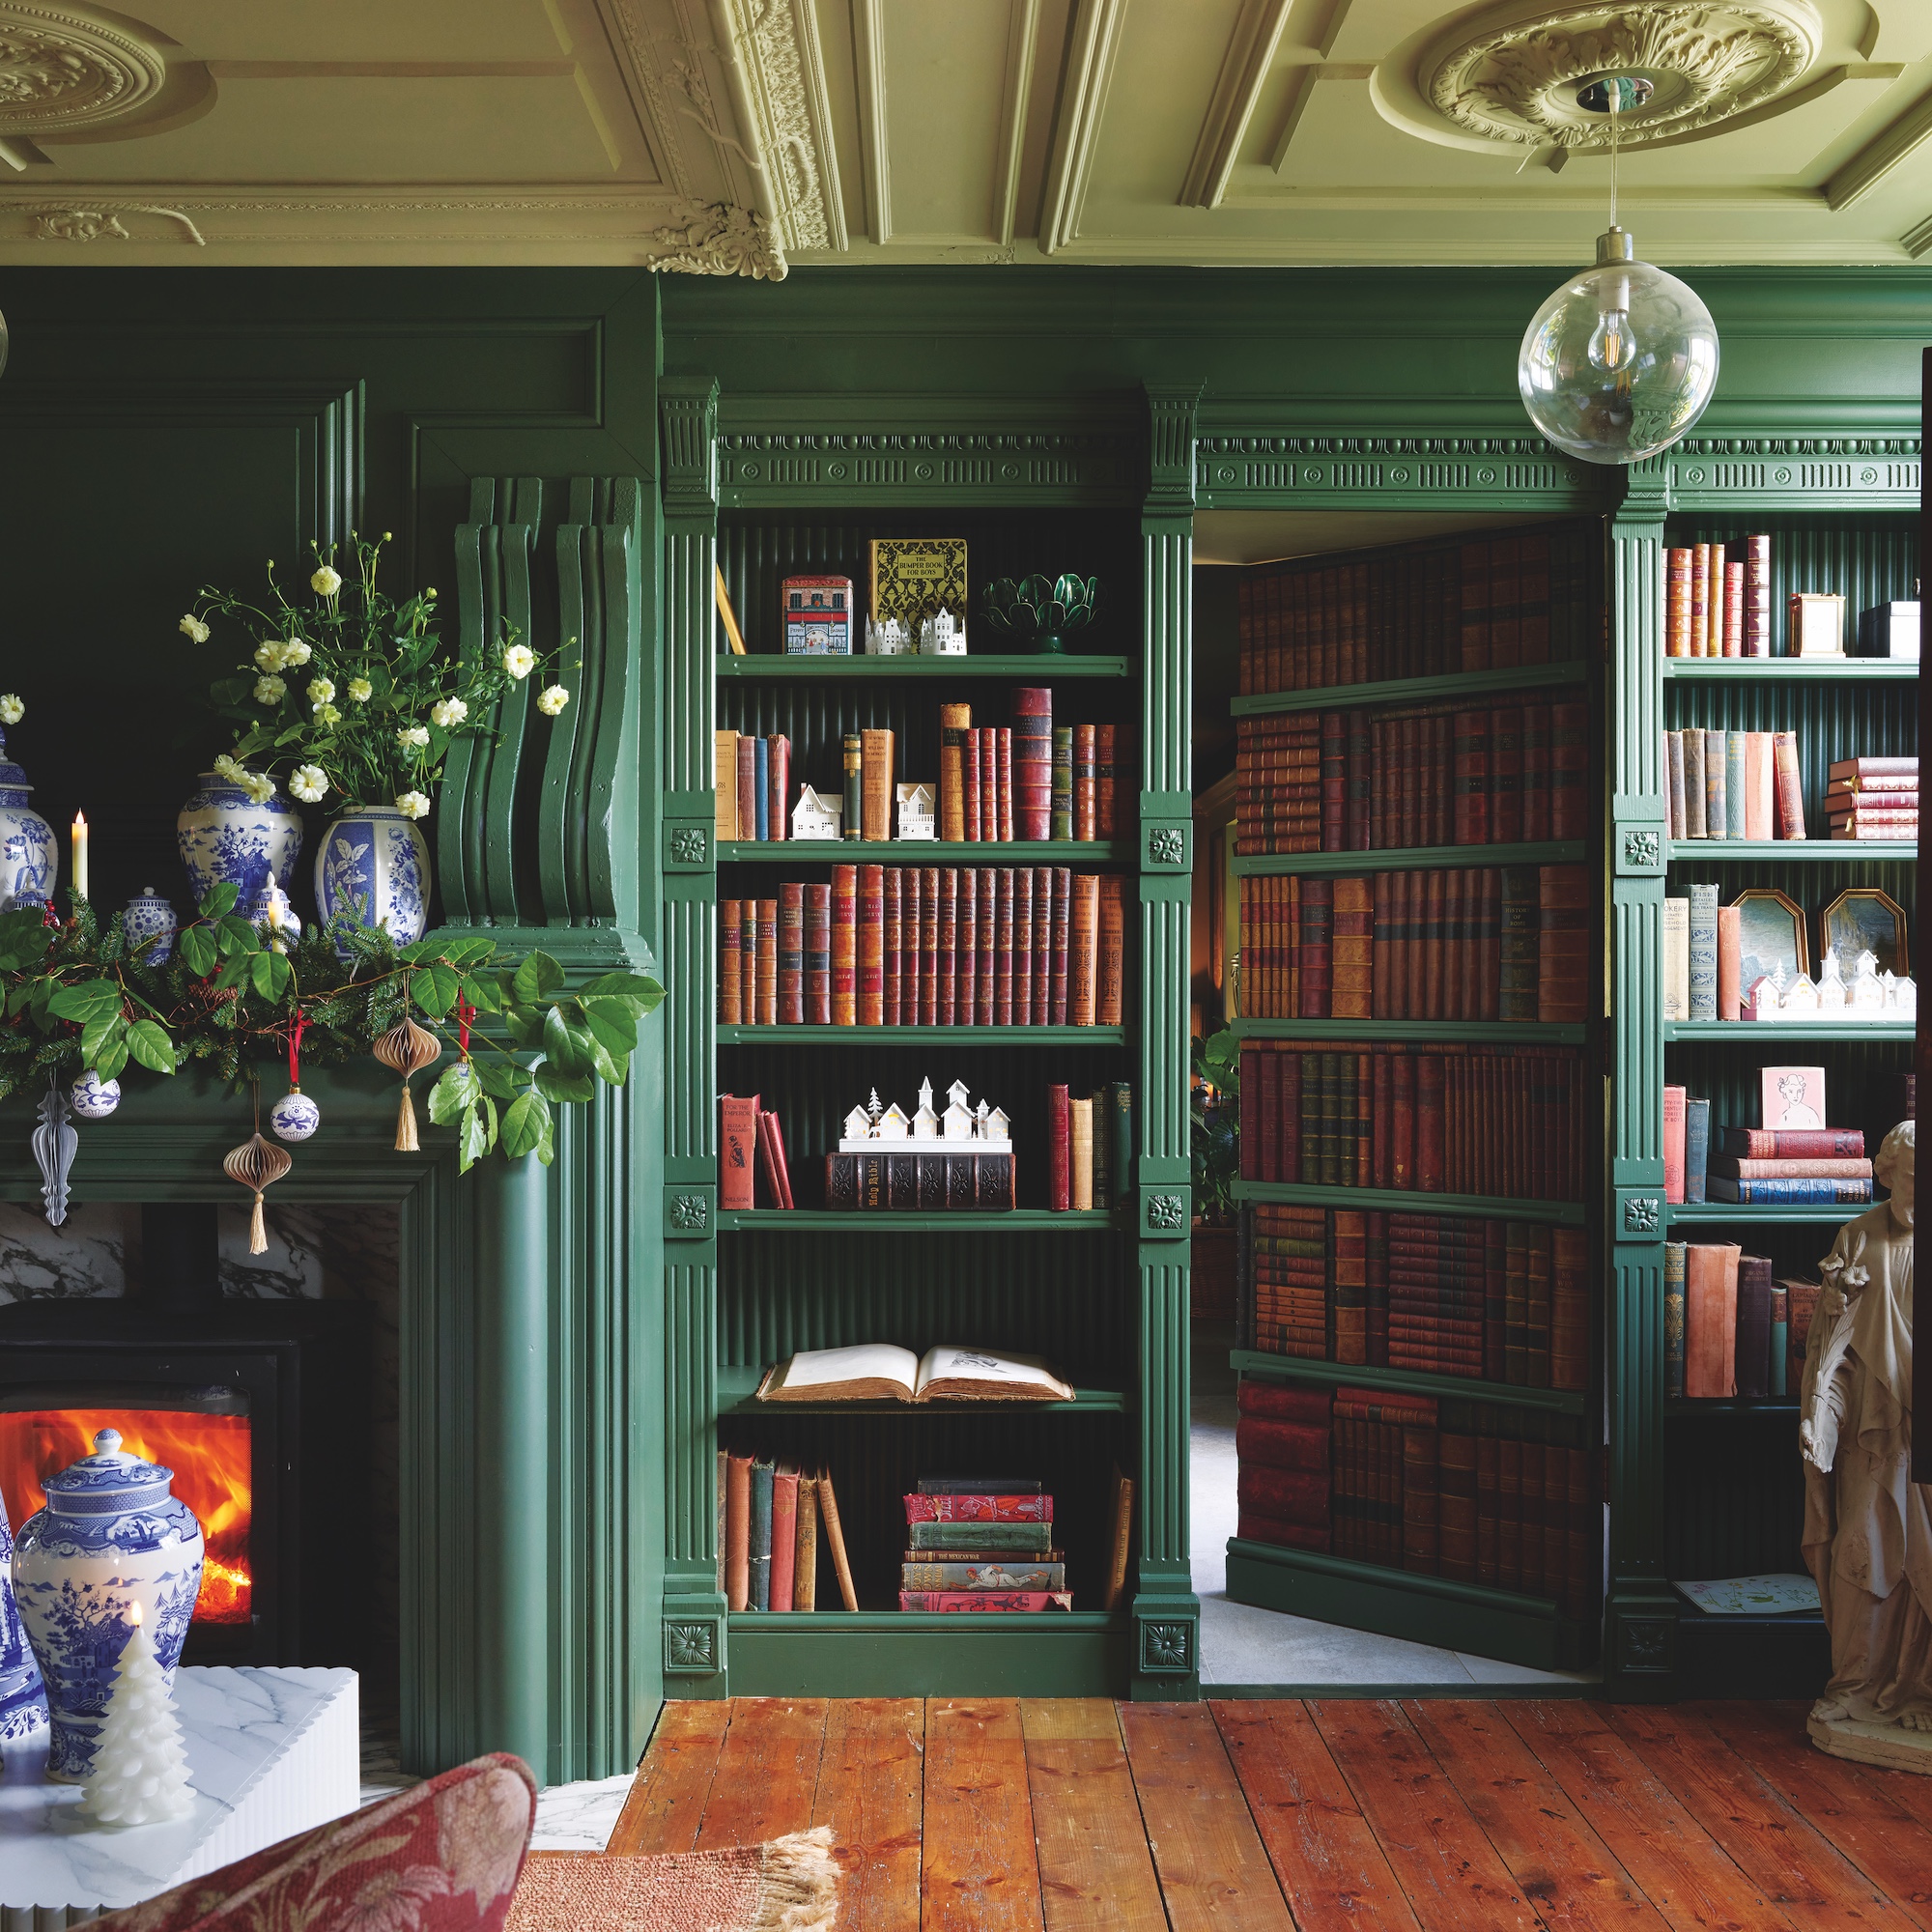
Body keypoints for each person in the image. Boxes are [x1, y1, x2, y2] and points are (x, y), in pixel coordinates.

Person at [1800, 1121, 1929, 1731]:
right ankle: (1854, 1686)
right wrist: (1820, 1420)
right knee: (1864, 1555)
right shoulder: (1859, 1239)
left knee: (1923, 1566)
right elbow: (1834, 1353)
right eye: (1911, 1176)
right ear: (1886, 1172)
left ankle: (1917, 1692)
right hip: (1874, 1436)